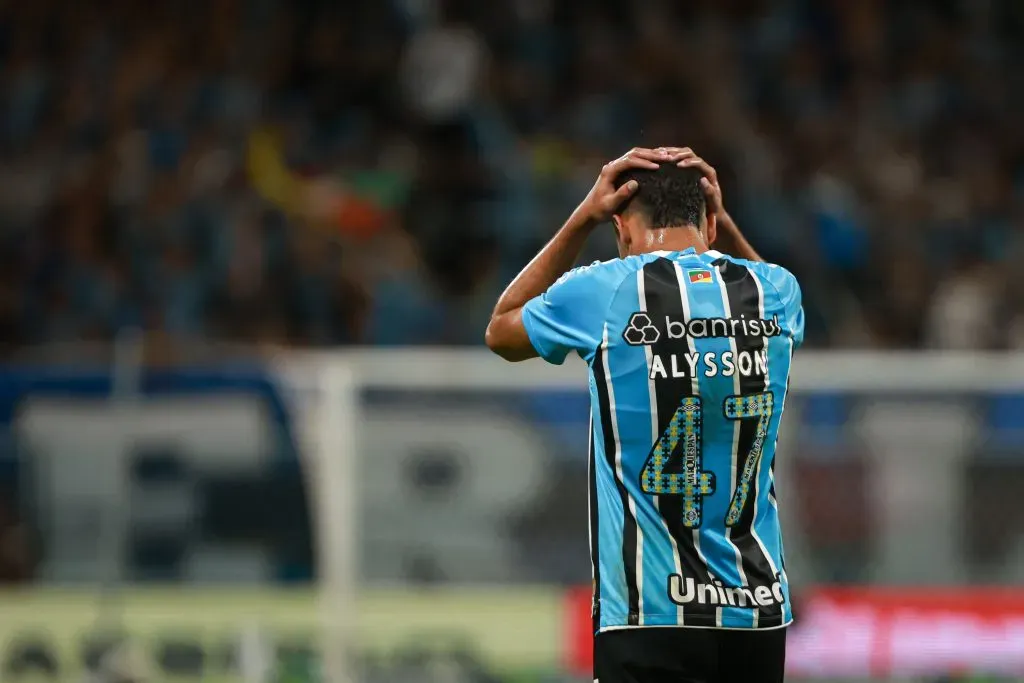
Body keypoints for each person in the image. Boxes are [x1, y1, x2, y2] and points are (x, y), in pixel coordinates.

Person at [485, 147, 803, 683]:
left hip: (647, 613)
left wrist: (580, 217)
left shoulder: (605, 289)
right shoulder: (774, 291)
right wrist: (722, 222)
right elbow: (780, 297)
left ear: (620, 226)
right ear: (708, 220)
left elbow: (502, 330)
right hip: (756, 610)